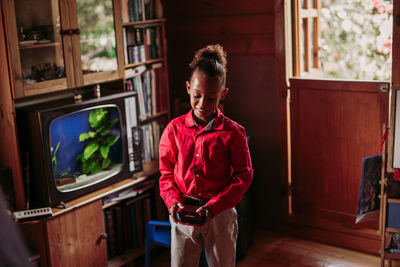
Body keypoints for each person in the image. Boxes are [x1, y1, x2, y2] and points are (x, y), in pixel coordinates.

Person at [159, 44, 253, 267]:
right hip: (183, 212)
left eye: (211, 98)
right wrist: (173, 204)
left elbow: (243, 177)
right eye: (197, 95)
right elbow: (166, 173)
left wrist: (212, 208)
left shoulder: (234, 133)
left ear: (223, 95)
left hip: (220, 215)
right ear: (188, 87)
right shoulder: (173, 129)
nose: (203, 104)